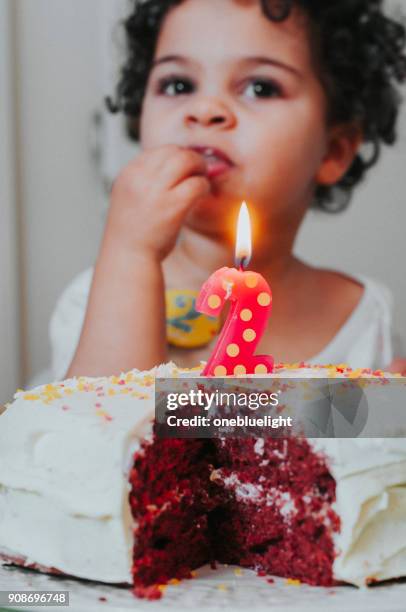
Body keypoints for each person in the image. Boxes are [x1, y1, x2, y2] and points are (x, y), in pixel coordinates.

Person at [50, 0, 406, 380]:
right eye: (178, 84)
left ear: (333, 151)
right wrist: (130, 253)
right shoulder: (95, 301)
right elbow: (101, 428)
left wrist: (387, 414)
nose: (205, 109)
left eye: (259, 87)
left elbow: (363, 435)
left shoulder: (365, 317)